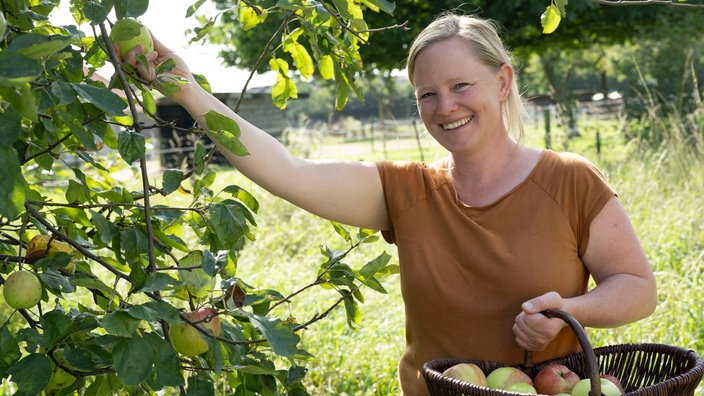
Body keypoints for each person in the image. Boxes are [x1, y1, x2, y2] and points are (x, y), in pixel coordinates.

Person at [120, 11, 657, 396]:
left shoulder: (570, 179)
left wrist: (569, 311)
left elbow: (637, 290)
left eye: (461, 85)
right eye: (427, 94)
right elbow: (287, 172)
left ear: (502, 82)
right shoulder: (405, 191)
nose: (445, 107)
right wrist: (187, 90)